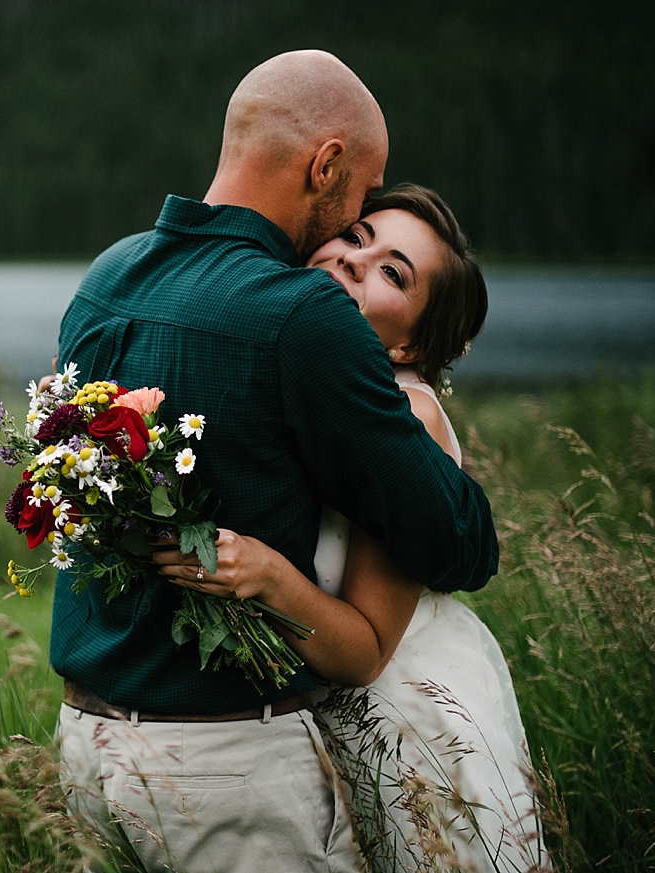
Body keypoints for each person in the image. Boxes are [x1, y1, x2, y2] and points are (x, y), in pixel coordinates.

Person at [52, 50, 499, 873]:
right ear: (326, 166)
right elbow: (458, 542)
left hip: (84, 746)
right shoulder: (303, 316)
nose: (351, 229)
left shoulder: (105, 277)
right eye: (361, 198)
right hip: (227, 773)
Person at [156, 185, 546, 871]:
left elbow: (367, 653)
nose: (355, 263)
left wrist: (266, 575)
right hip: (312, 724)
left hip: (402, 726)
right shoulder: (298, 361)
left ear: (416, 341)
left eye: (394, 272)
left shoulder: (404, 417)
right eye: (357, 236)